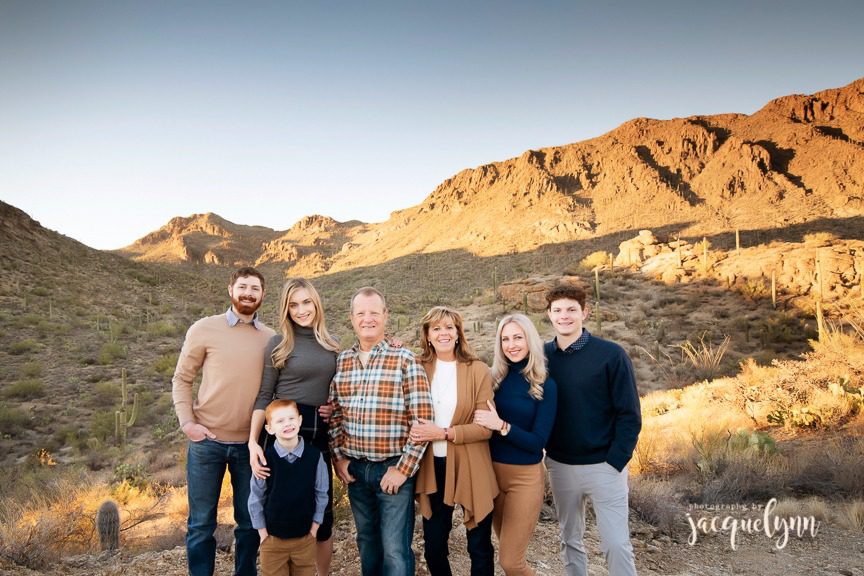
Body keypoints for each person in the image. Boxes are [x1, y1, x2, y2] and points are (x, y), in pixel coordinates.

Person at [172, 266, 275, 576]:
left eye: (254, 288)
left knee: (248, 522)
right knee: (202, 523)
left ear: (262, 295)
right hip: (207, 444)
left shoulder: (271, 338)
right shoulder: (204, 328)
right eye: (243, 286)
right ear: (231, 290)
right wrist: (187, 423)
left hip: (251, 447)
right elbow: (182, 378)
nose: (248, 292)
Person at [328, 286, 434, 576]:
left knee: (395, 550)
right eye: (361, 313)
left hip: (393, 470)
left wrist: (403, 469)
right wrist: (338, 458)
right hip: (356, 472)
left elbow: (422, 420)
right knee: (367, 543)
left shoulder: (404, 360)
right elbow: (335, 415)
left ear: (386, 316)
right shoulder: (342, 362)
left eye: (374, 312)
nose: (367, 319)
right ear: (352, 318)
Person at [544, 283, 641, 576]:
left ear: (584, 312)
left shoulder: (611, 355)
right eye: (558, 310)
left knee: (615, 544)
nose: (564, 316)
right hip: (560, 465)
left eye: (571, 310)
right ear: (549, 315)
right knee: (569, 540)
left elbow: (630, 414)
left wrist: (616, 461)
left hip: (604, 466)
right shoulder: (541, 357)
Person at [248, 278, 340, 575]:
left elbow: (339, 390)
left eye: (306, 302)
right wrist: (252, 442)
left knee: (321, 510)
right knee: (279, 502)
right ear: (286, 309)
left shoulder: (332, 344)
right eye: (293, 304)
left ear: (317, 303)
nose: (301, 310)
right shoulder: (278, 343)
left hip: (317, 431)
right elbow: (264, 396)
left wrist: (331, 405)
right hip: (283, 428)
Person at [411, 306, 498, 576]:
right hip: (431, 467)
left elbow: (485, 429)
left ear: (459, 333)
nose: (443, 333)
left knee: (479, 545)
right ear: (427, 335)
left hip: (471, 464)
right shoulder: (416, 367)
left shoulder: (478, 370)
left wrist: (445, 433)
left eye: (449, 327)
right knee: (434, 546)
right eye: (436, 328)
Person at [474, 313, 557, 576]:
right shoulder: (493, 379)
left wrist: (502, 425)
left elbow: (537, 443)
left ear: (530, 339)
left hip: (525, 479)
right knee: (504, 552)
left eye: (518, 337)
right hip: (491, 477)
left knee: (511, 562)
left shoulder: (545, 384)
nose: (512, 345)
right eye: (505, 339)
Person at [248, 399, 328, 576]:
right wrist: (263, 535)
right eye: (280, 421)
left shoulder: (315, 457)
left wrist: (315, 527)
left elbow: (321, 494)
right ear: (270, 429)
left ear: (299, 420)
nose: (287, 424)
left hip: (305, 539)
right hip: (273, 540)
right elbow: (256, 498)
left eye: (291, 418)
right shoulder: (264, 460)